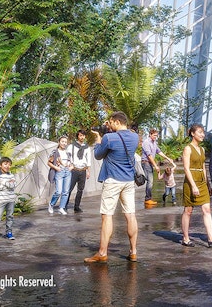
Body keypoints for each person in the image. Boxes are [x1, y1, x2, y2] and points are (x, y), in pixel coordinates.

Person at [85, 111, 140, 263]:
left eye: (110, 122)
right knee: (130, 215)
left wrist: (98, 138)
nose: (108, 124)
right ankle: (133, 251)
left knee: (107, 216)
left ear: (116, 122)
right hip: (128, 181)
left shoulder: (109, 138)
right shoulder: (135, 137)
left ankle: (102, 253)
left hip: (113, 180)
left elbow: (98, 155)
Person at [179, 123, 212, 247]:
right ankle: (185, 238)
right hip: (191, 181)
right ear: (193, 133)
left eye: (203, 132)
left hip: (202, 181)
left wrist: (208, 183)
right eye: (200, 132)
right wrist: (193, 185)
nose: (203, 135)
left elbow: (203, 167)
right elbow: (186, 168)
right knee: (188, 210)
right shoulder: (188, 148)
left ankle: (211, 238)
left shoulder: (202, 149)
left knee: (207, 209)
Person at [141, 128, 173, 209]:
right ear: (150, 134)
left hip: (149, 163)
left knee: (150, 181)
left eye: (156, 135)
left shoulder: (154, 142)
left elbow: (159, 151)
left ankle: (148, 198)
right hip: (146, 162)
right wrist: (156, 166)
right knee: (150, 181)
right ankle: (147, 199)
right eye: (154, 135)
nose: (156, 137)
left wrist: (167, 158)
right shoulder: (146, 142)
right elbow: (149, 156)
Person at [47, 134, 72, 215]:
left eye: (65, 142)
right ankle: (51, 204)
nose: (64, 143)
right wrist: (56, 168)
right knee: (58, 191)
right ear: (59, 142)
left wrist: (71, 167)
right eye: (62, 141)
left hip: (67, 172)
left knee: (66, 191)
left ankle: (61, 207)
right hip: (59, 171)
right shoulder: (55, 152)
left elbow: (71, 163)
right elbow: (49, 163)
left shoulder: (68, 153)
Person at [70, 129, 93, 213]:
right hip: (74, 170)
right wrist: (70, 165)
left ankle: (77, 206)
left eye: (83, 135)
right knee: (69, 188)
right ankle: (64, 206)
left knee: (80, 189)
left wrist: (88, 171)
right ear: (78, 136)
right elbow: (68, 156)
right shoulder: (72, 146)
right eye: (80, 135)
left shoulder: (86, 147)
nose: (82, 137)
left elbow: (88, 160)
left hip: (83, 170)